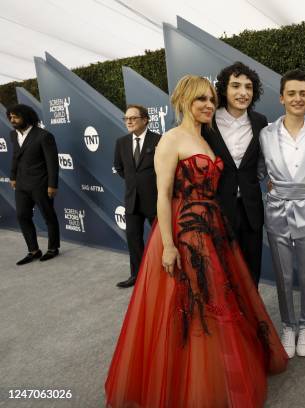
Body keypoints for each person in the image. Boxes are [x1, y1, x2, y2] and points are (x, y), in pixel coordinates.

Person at [105, 75, 288, 408]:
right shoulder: (171, 139)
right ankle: (193, 383)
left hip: (214, 227)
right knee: (190, 303)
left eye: (210, 100)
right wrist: (169, 245)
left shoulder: (208, 137)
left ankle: (221, 369)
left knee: (218, 298)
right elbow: (162, 196)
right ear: (184, 101)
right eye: (200, 99)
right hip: (184, 230)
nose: (207, 105)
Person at [259, 69, 305, 358]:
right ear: (282, 97)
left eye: (303, 93)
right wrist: (273, 186)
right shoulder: (266, 133)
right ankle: (288, 325)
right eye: (292, 93)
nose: (298, 98)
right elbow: (260, 169)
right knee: (283, 275)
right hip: (276, 209)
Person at [202, 61, 267, 286]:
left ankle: (253, 319)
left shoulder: (260, 122)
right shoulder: (208, 121)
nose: (243, 92)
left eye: (248, 87)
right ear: (224, 90)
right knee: (223, 274)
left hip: (251, 209)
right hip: (219, 209)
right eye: (236, 86)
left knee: (251, 271)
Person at [113, 104, 161, 288]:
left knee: (161, 241)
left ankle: (163, 277)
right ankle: (138, 277)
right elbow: (118, 167)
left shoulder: (159, 140)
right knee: (133, 240)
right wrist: (135, 182)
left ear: (145, 119)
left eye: (133, 118)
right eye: (126, 118)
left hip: (155, 201)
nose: (129, 121)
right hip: (132, 200)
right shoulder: (121, 142)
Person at [8, 104, 60, 265]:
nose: (12, 120)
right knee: (22, 215)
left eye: (16, 117)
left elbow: (52, 163)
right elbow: (16, 156)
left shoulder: (44, 136)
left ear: (26, 117)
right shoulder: (13, 134)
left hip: (41, 183)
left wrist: (52, 185)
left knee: (48, 216)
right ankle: (33, 250)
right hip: (22, 184)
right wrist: (13, 176)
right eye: (10, 117)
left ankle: (53, 248)